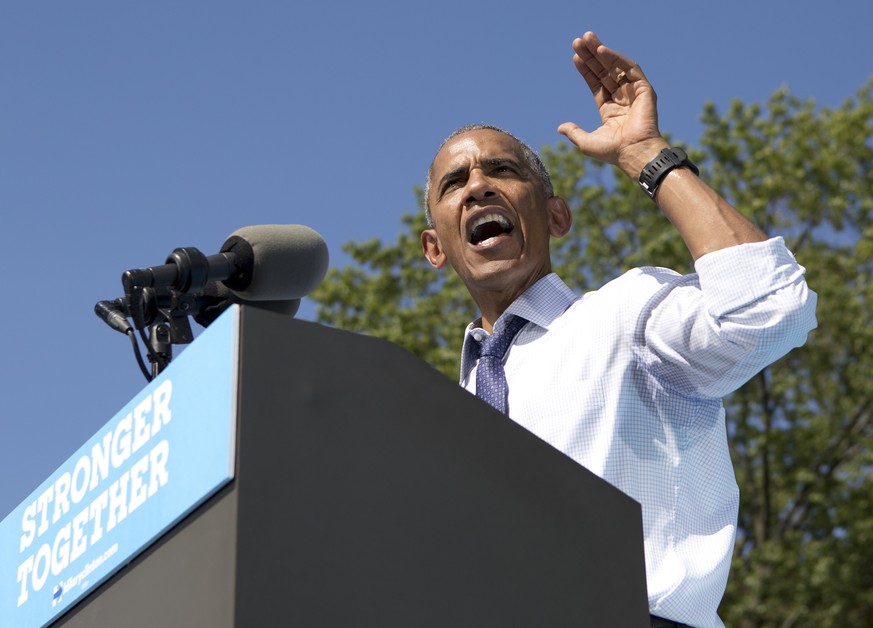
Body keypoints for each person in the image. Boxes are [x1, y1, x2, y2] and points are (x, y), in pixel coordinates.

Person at [419, 32, 817, 628]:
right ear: (435, 248)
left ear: (556, 215)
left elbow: (768, 309)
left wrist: (647, 155)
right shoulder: (432, 418)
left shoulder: (628, 313)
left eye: (501, 170)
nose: (478, 186)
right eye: (455, 183)